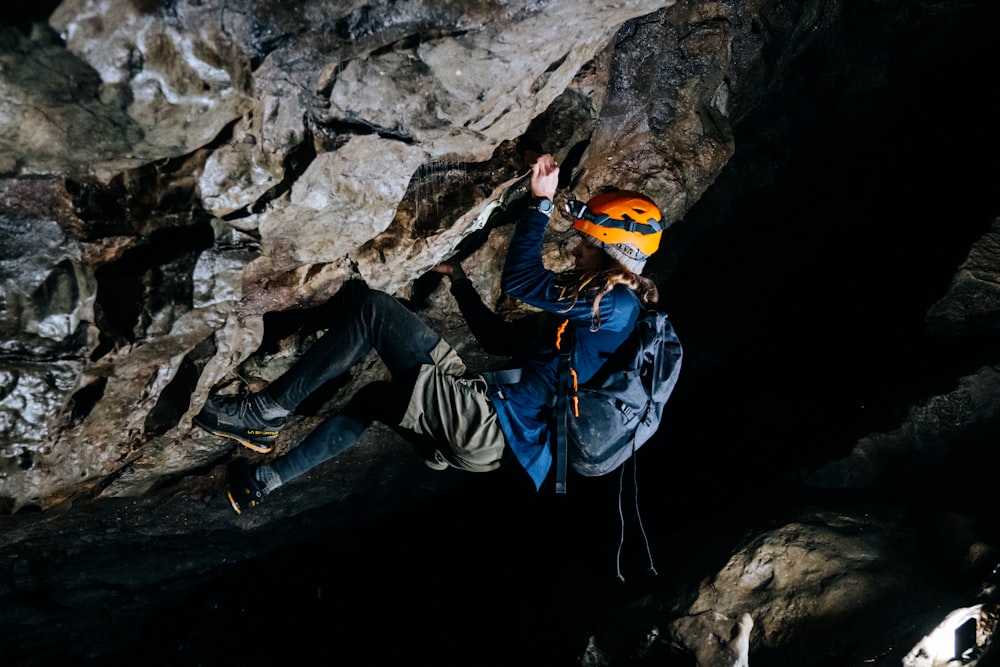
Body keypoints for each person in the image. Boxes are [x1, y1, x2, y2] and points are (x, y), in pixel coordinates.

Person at [193, 154, 665, 513]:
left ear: (614, 246)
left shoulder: (615, 306)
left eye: (590, 240)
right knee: (376, 399)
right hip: (491, 436)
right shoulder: (599, 317)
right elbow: (498, 342)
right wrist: (458, 280)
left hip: (489, 427)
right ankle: (261, 484)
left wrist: (541, 204)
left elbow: (520, 281)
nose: (580, 247)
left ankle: (262, 414)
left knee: (376, 311)